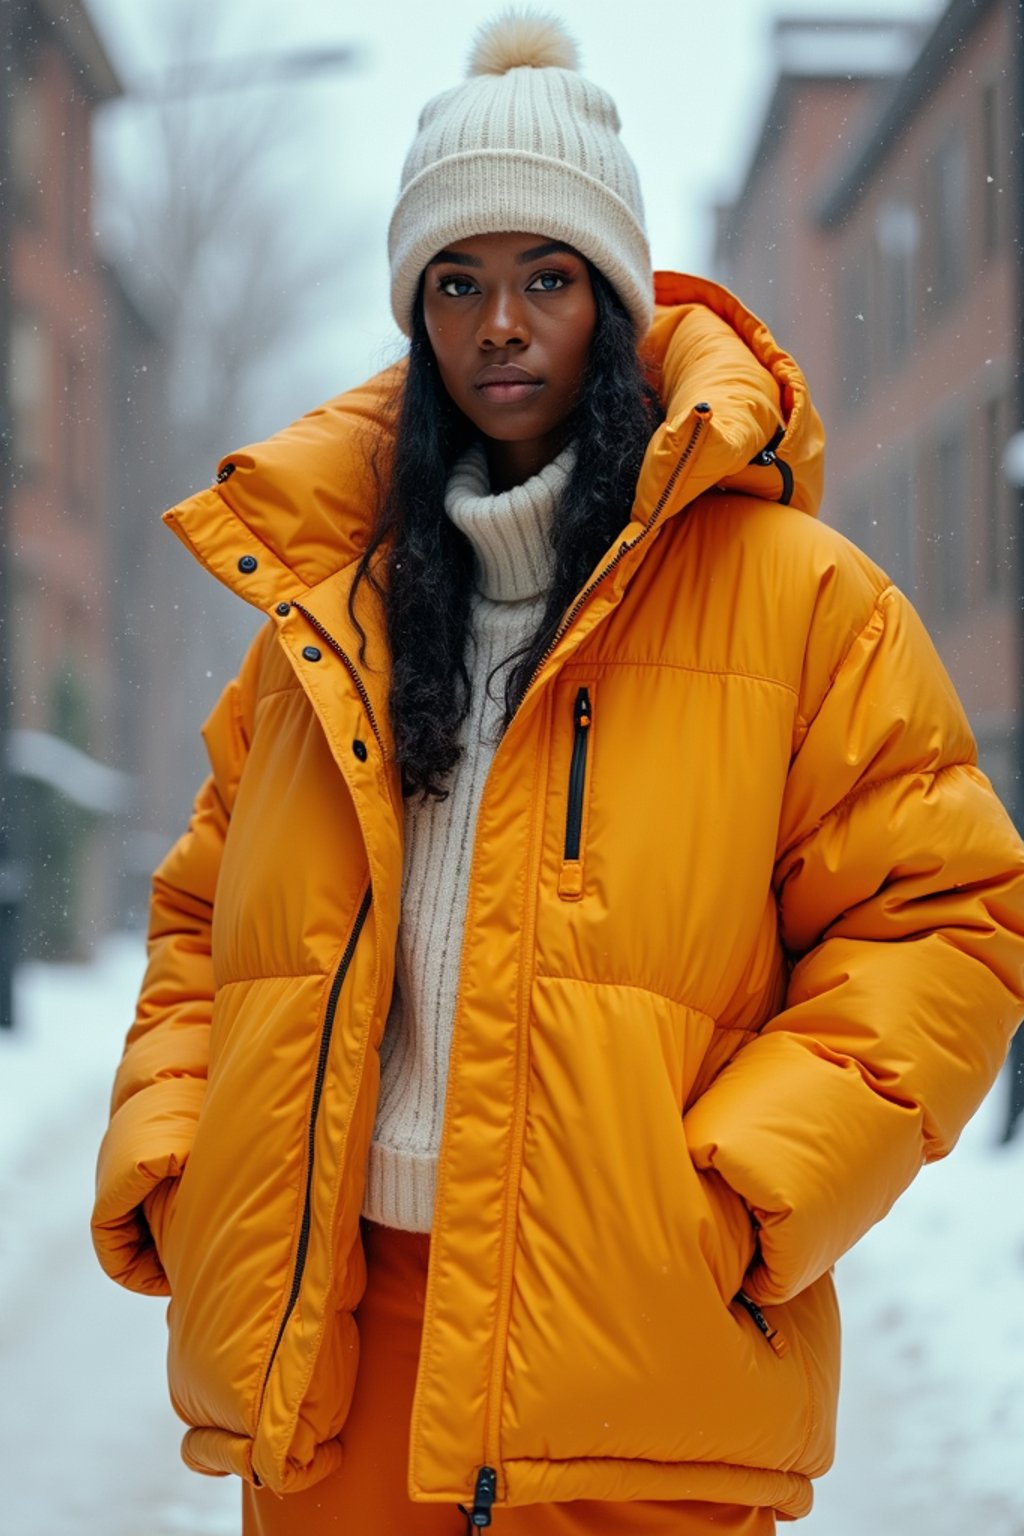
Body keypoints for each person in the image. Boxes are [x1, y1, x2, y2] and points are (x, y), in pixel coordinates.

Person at [92, 11, 1024, 1534]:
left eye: (545, 278)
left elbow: (949, 921)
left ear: (614, 299)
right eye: (456, 284)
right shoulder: (326, 625)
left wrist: (732, 1198)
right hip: (338, 1372)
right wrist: (187, 1166)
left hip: (629, 1382)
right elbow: (204, 928)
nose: (500, 325)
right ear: (416, 318)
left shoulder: (801, 603)